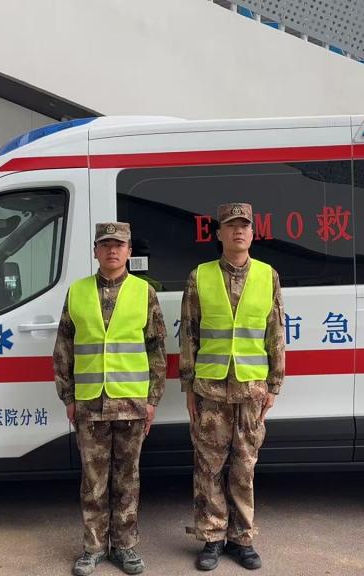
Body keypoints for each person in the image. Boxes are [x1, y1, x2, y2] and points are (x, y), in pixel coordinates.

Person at [54, 222, 167, 576]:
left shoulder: (144, 292)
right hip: (90, 403)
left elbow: (157, 349)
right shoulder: (77, 292)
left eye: (119, 245)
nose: (112, 250)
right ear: (95, 252)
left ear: (129, 251)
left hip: (131, 403)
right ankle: (93, 548)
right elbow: (63, 348)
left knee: (127, 479)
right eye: (105, 245)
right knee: (93, 480)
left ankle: (125, 547)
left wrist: (152, 399)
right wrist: (68, 396)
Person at [179, 203, 285, 571]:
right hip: (210, 387)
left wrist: (274, 383)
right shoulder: (200, 276)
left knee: (245, 465)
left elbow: (275, 332)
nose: (238, 231)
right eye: (230, 225)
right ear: (219, 233)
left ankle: (242, 540)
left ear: (253, 233)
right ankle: (212, 538)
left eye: (244, 225)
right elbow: (189, 333)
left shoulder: (268, 275)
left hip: (252, 388)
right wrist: (188, 386)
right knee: (208, 465)